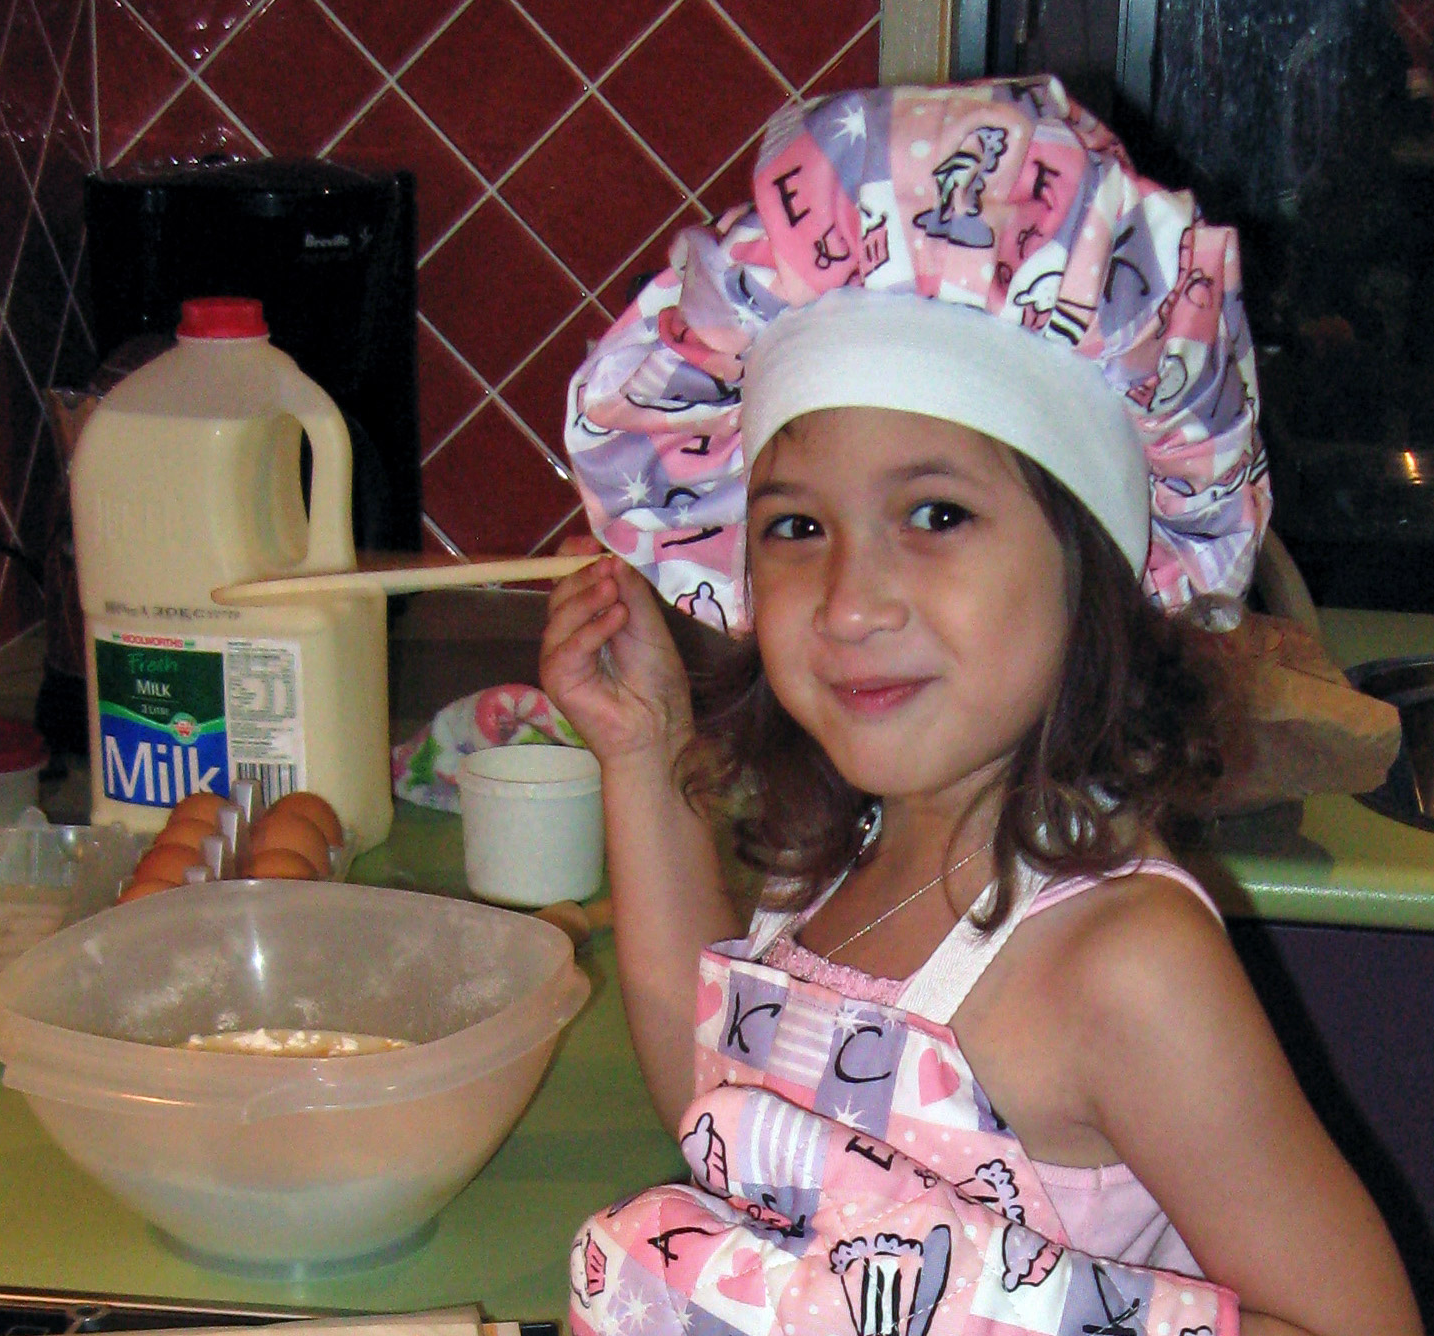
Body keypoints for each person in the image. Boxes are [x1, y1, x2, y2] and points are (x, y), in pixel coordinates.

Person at [541, 78, 1422, 1336]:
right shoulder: (842, 858)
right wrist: (641, 750)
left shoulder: (1123, 967)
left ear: (1095, 566)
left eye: (935, 514)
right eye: (796, 526)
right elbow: (716, 1109)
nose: (848, 599)